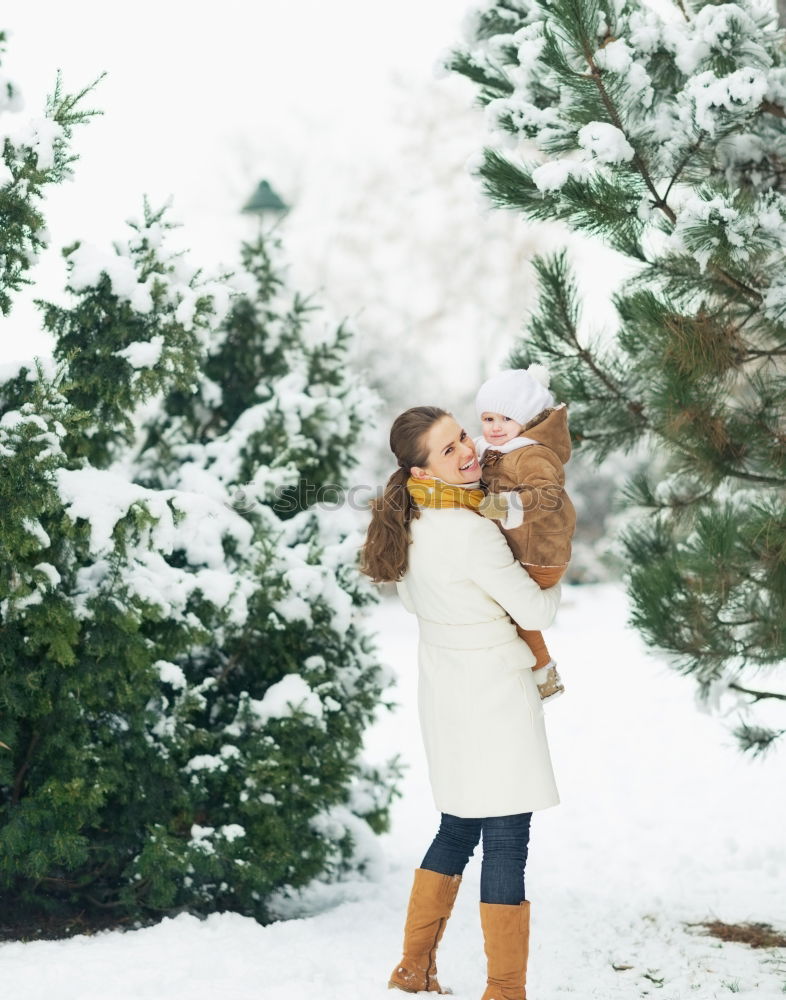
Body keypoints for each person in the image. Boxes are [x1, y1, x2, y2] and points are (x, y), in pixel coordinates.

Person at [359, 405, 563, 1000]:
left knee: (458, 826)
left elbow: (415, 604)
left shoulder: (415, 518)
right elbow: (539, 612)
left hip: (447, 688)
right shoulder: (471, 529)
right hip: (494, 693)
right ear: (421, 465)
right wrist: (544, 565)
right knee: (504, 836)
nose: (468, 450)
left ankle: (413, 969)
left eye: (463, 438)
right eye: (448, 449)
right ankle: (505, 991)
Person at [474, 364, 577, 703]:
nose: (495, 427)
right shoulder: (503, 450)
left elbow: (547, 494)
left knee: (509, 609)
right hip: (530, 550)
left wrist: (503, 506)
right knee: (505, 607)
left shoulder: (532, 453)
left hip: (540, 554)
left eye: (505, 419)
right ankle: (534, 672)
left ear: (528, 418)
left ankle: (541, 674)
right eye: (488, 419)